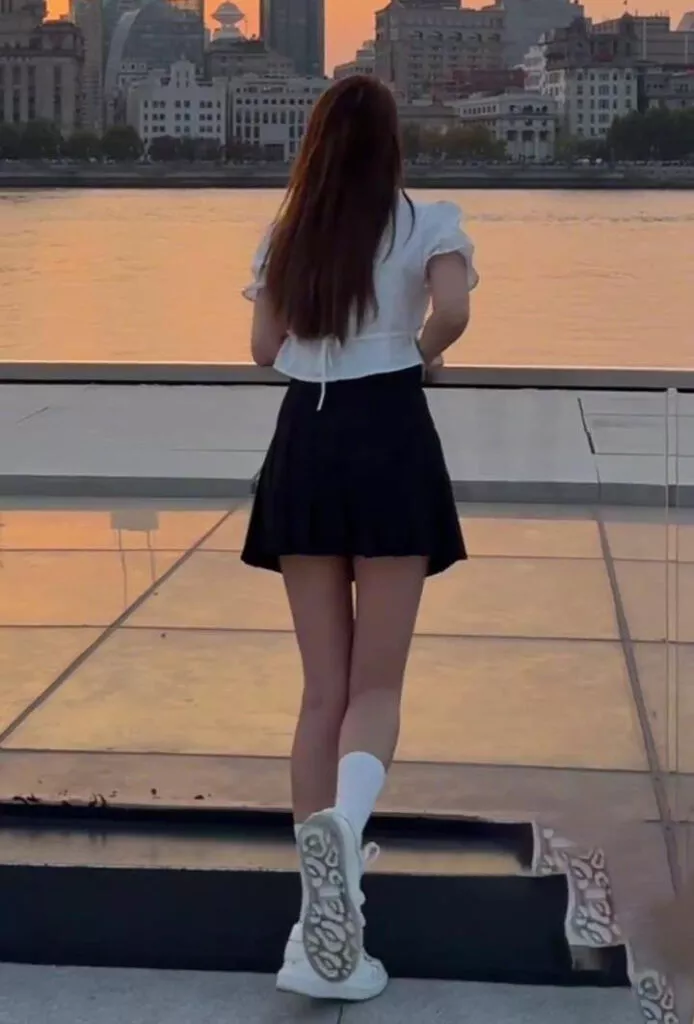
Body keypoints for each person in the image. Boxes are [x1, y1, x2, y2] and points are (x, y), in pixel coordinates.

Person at [241, 75, 478, 1002]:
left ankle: (315, 923)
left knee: (321, 692)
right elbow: (453, 311)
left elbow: (264, 349)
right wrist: (416, 350)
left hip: (306, 437)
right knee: (376, 685)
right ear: (392, 146)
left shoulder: (289, 232)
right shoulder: (425, 222)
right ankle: (346, 829)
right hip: (388, 431)